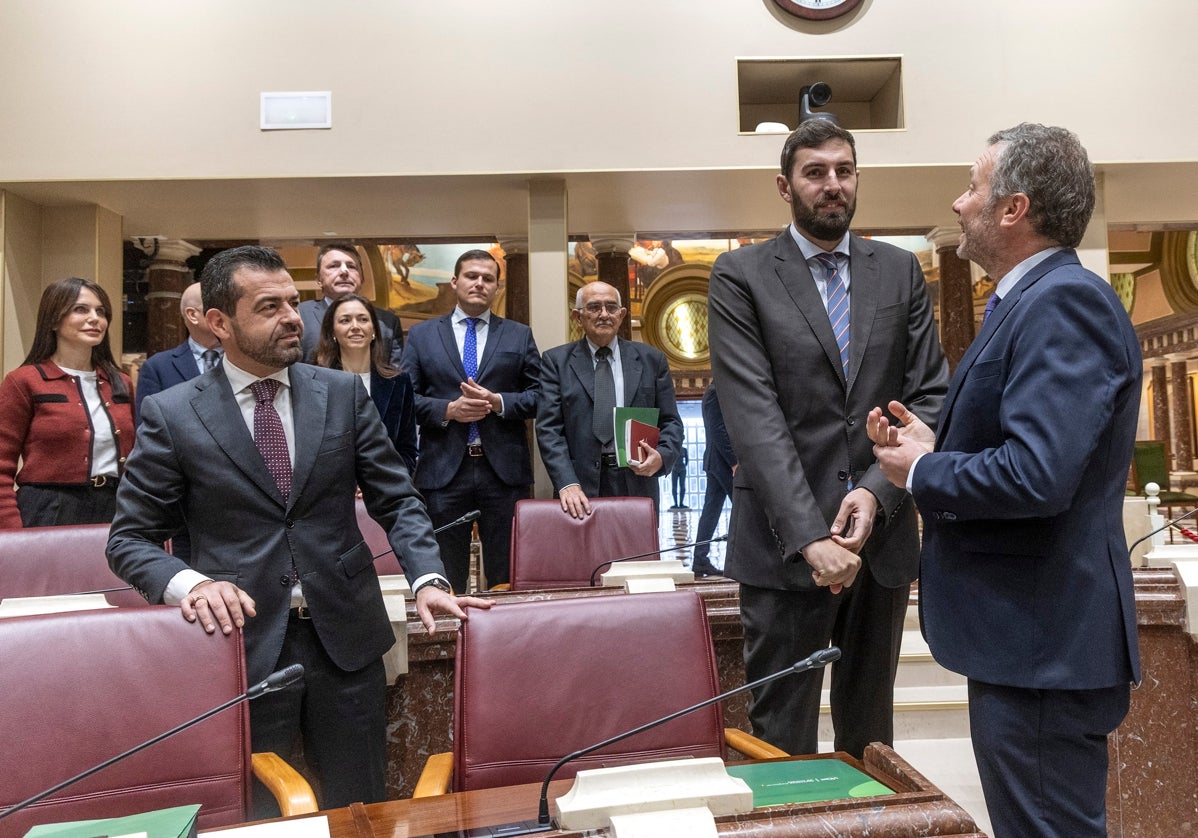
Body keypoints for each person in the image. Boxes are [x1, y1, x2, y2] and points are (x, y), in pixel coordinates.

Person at [107, 246, 489, 812]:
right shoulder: (173, 412)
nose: (293, 316)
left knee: (361, 807)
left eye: (293, 301)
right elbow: (128, 540)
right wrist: (192, 584)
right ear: (220, 323)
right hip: (244, 643)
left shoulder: (339, 394)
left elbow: (397, 500)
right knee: (265, 813)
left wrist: (427, 576)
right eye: (269, 306)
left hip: (348, 638)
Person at [867, 123, 1140, 837]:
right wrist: (938, 443)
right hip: (1031, 644)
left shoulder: (1062, 301)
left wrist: (924, 469)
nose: (959, 203)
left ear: (1013, 209)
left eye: (972, 187)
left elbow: (1039, 476)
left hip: (1044, 645)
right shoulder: (1028, 299)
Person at [706, 118, 948, 758]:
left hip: (882, 543)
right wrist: (812, 538)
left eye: (843, 170)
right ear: (785, 187)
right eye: (815, 173)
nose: (832, 184)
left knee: (871, 740)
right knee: (779, 740)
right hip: (784, 548)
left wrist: (873, 494)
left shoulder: (899, 272)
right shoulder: (741, 275)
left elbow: (930, 397)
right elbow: (752, 415)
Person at [398, 250, 541, 591]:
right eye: (471, 276)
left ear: (497, 287)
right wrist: (448, 410)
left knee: (506, 574)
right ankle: (451, 641)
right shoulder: (422, 336)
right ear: (455, 282)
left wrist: (498, 402)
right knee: (446, 573)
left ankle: (504, 642)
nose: (479, 283)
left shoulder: (519, 335)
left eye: (488, 278)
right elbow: (404, 401)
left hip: (503, 473)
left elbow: (541, 396)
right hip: (443, 472)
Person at [537, 281, 683, 519]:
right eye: (594, 307)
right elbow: (548, 429)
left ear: (622, 314)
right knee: (585, 556)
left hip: (637, 482)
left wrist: (662, 457)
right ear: (578, 316)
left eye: (611, 307)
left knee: (637, 555)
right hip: (578, 488)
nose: (604, 314)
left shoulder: (651, 360)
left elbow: (671, 422)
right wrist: (566, 482)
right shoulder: (556, 362)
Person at [0, 277, 136, 528]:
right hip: (48, 509)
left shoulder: (121, 383)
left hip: (115, 507)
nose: (95, 318)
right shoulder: (24, 381)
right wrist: (10, 530)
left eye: (101, 311)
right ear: (53, 320)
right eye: (80, 309)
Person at [314, 293, 418, 473]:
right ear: (332, 333)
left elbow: (407, 451)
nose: (355, 327)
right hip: (331, 493)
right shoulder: (314, 384)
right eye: (345, 321)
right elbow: (308, 451)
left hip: (385, 493)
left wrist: (379, 480)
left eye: (363, 319)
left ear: (374, 330)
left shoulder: (399, 383)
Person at [299, 243, 403, 367]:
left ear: (362, 278)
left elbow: (395, 376)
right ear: (318, 279)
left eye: (351, 266)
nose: (344, 271)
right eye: (334, 266)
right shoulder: (300, 315)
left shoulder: (387, 322)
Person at [135, 281, 223, 422]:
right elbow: (148, 429)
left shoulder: (245, 360)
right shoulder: (158, 367)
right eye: (218, 307)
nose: (228, 314)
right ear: (192, 315)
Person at [691, 382, 733, 577]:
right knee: (745, 511)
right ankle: (737, 560)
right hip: (722, 463)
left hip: (718, 463)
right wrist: (734, 462)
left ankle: (700, 559)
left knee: (711, 513)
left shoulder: (717, 390)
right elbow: (718, 429)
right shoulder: (716, 392)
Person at [670, 443, 689, 508]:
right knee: (674, 487)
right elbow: (670, 459)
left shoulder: (684, 450)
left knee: (682, 486)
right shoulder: (673, 449)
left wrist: (683, 466)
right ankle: (675, 503)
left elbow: (687, 460)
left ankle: (681, 503)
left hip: (682, 469)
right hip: (675, 469)